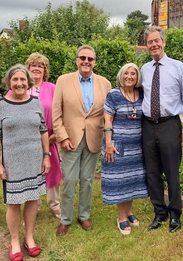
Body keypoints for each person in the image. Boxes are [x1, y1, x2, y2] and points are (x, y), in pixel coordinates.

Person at [0, 64, 51, 261]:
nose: (19, 83)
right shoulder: (0, 105)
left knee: (33, 199)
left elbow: (43, 131)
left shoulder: (35, 103)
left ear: (28, 82)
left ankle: (30, 238)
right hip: (12, 163)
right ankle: (15, 241)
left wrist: (46, 155)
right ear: (9, 82)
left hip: (35, 160)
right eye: (15, 80)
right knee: (14, 203)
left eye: (22, 80)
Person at [141, 25, 183, 233]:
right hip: (147, 126)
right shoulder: (144, 70)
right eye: (150, 42)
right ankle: (159, 212)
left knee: (171, 171)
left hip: (169, 124)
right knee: (152, 171)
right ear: (147, 46)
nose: (153, 44)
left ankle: (175, 214)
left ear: (163, 42)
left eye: (157, 41)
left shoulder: (178, 67)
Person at [53, 45, 111, 236]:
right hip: (71, 139)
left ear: (95, 62)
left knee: (87, 180)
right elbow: (56, 113)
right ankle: (65, 219)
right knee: (69, 180)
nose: (86, 61)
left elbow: (109, 113)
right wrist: (62, 137)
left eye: (90, 59)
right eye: (82, 58)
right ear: (77, 60)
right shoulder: (63, 81)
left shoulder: (105, 83)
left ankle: (84, 216)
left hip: (94, 137)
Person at [101, 63, 148, 235]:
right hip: (118, 144)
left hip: (137, 146)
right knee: (120, 181)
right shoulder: (114, 94)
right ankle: (121, 217)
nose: (129, 76)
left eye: (133, 74)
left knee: (132, 179)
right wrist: (109, 144)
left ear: (137, 77)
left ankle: (129, 212)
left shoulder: (141, 94)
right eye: (126, 73)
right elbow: (107, 120)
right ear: (121, 75)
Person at [23, 53, 62, 219]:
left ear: (45, 70)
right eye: (34, 65)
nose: (37, 68)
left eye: (41, 66)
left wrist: (54, 136)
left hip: (50, 138)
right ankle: (34, 205)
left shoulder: (53, 88)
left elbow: (61, 111)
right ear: (28, 68)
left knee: (52, 169)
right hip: (27, 140)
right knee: (31, 172)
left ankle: (54, 204)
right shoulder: (20, 86)